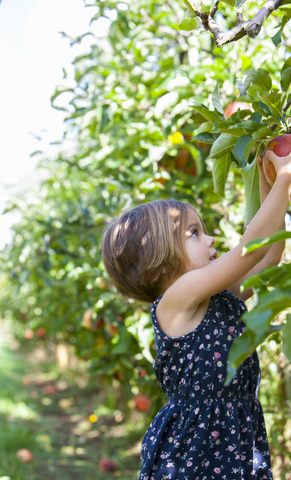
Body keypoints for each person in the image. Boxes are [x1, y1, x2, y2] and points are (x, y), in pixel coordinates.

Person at [101, 150, 291, 480]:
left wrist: (269, 180)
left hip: (236, 433)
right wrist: (286, 178)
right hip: (199, 446)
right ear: (159, 262)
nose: (211, 238)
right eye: (194, 234)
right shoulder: (176, 299)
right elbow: (250, 250)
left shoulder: (217, 296)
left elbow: (267, 255)